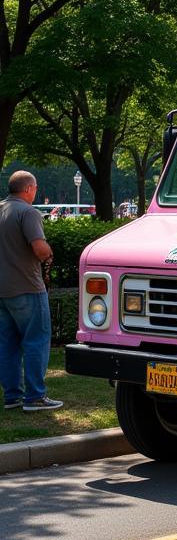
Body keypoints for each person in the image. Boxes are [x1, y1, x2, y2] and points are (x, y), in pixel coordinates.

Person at [0, 171, 62, 411]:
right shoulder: (28, 212)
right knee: (36, 341)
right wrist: (48, 250)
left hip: (3, 291)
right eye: (35, 188)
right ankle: (35, 396)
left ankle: (12, 397)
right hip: (27, 287)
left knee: (7, 344)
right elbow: (40, 250)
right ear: (28, 189)